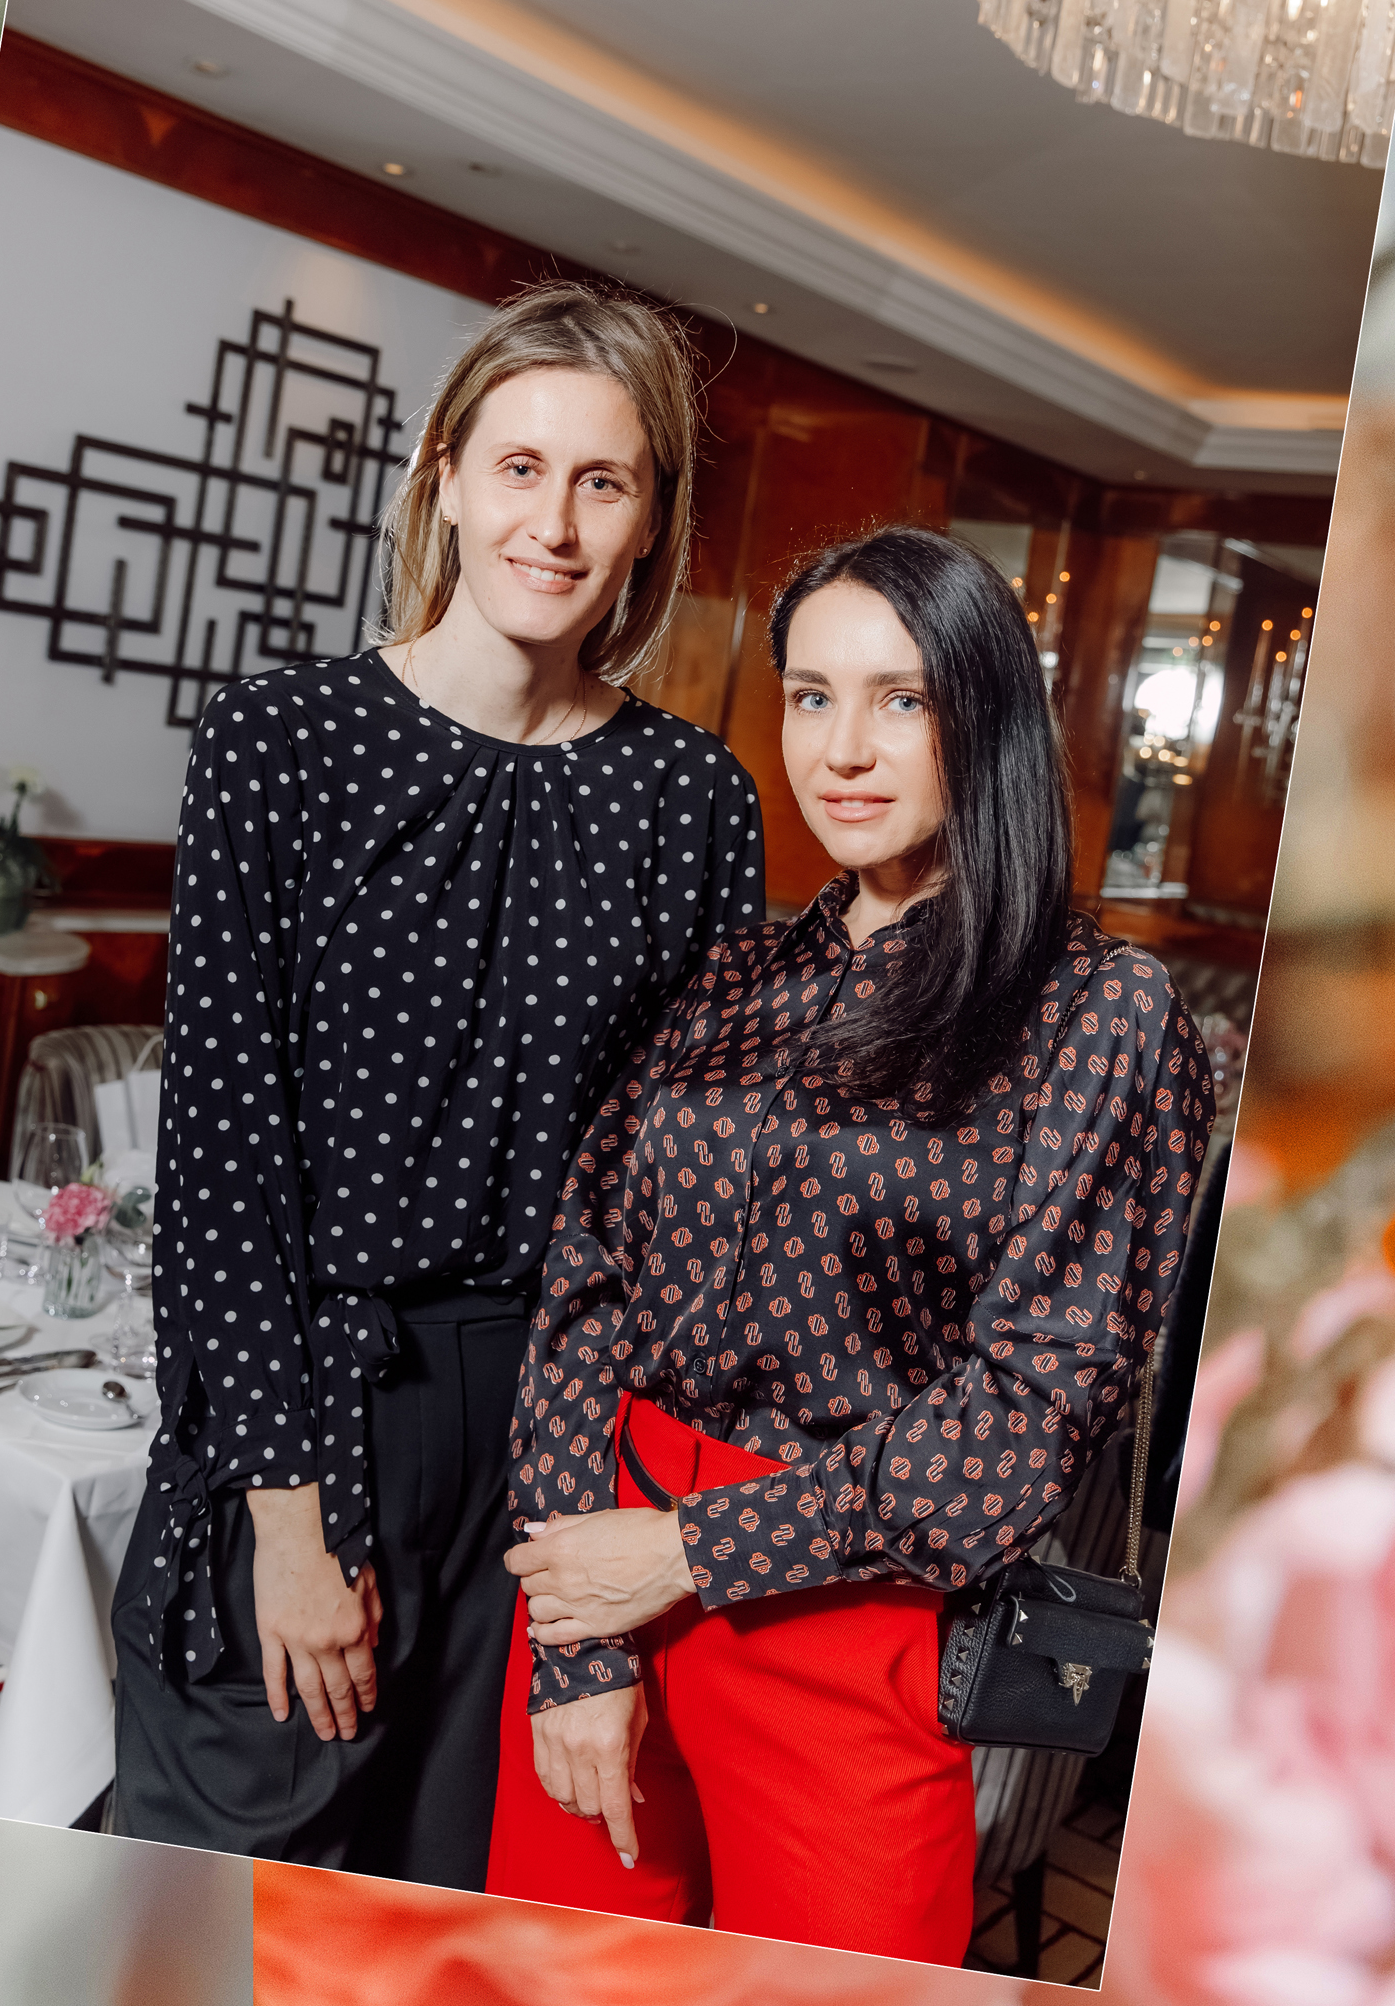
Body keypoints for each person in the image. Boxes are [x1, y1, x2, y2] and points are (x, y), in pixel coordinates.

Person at [110, 283, 766, 1883]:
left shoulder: (693, 799)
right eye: (520, 467)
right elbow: (222, 1166)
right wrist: (285, 1520)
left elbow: (688, 1201)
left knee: (448, 1913)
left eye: (602, 483)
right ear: (447, 476)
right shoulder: (283, 742)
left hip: (559, 1434)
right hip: (311, 1400)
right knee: (222, 1904)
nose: (555, 521)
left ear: (650, 524)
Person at [487, 526, 1214, 1959]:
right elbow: (583, 1292)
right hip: (602, 1567)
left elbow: (1031, 1410)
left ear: (984, 717)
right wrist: (579, 1636)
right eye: (812, 696)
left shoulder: (1100, 1015)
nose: (845, 750)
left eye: (902, 698)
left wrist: (691, 1550)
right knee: (545, 1979)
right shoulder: (725, 978)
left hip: (848, 1624)